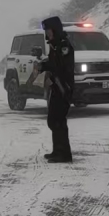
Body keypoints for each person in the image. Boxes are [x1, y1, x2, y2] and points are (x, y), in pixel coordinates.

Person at [36, 17, 74, 163]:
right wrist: (43, 65)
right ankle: (57, 150)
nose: (47, 33)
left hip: (63, 87)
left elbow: (62, 66)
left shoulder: (64, 45)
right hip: (55, 86)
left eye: (48, 30)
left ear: (55, 29)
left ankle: (64, 154)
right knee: (53, 120)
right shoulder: (55, 45)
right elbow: (54, 63)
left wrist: (47, 66)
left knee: (58, 121)